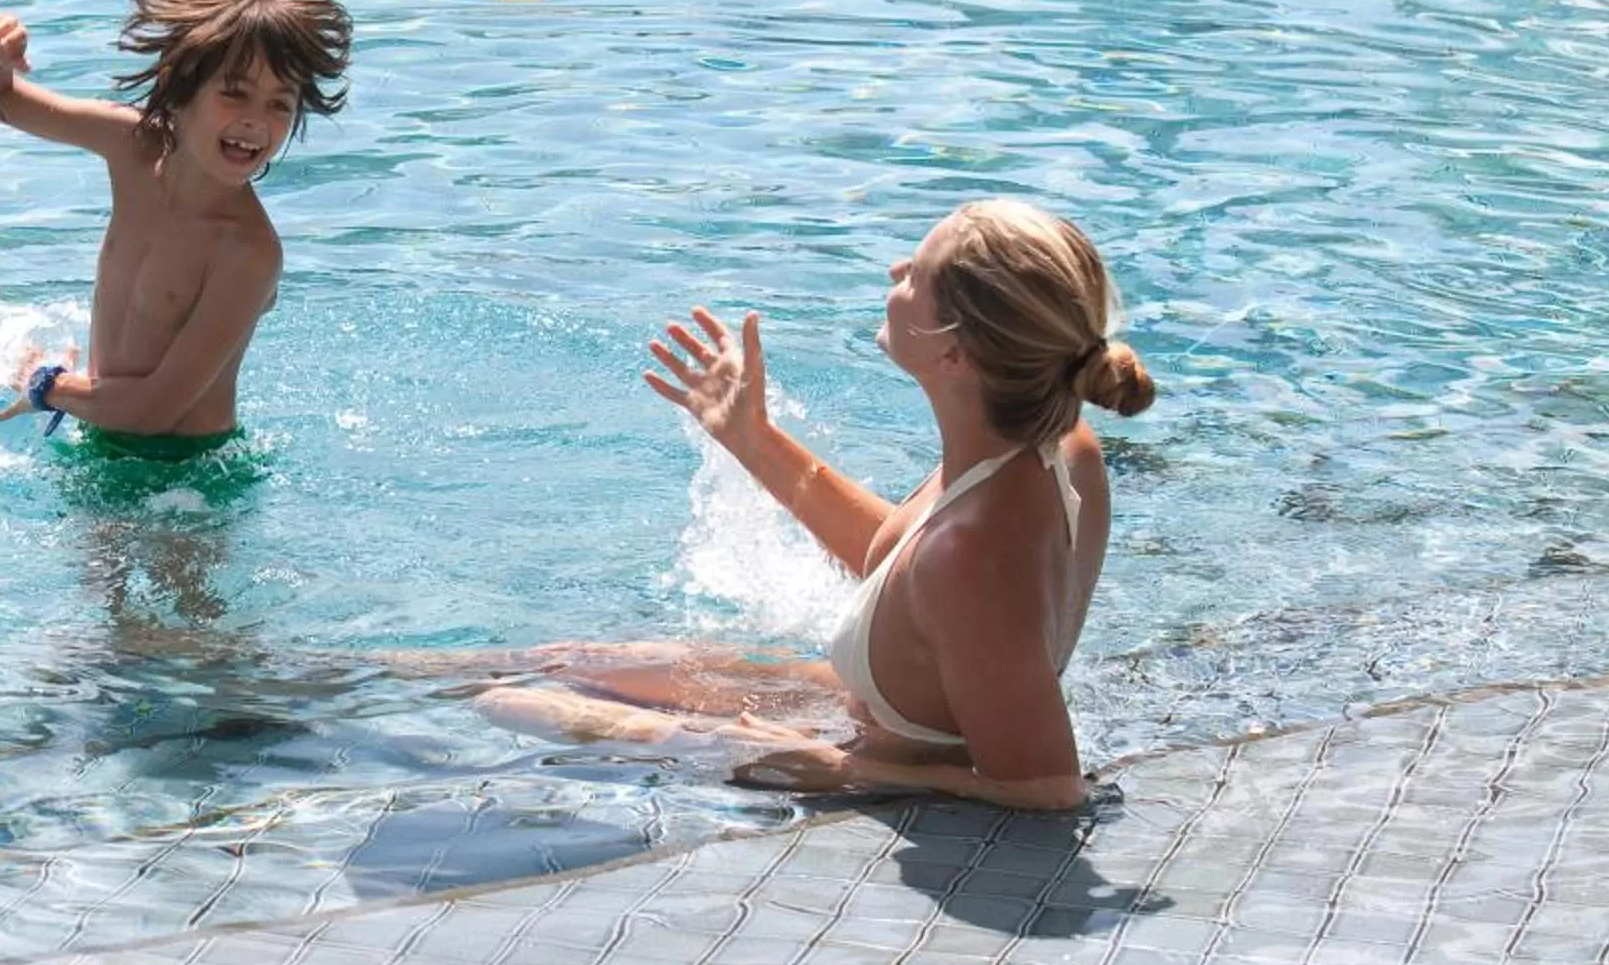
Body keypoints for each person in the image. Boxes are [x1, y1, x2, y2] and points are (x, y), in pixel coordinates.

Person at [476, 199, 1155, 811]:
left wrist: (844, 768)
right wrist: (753, 439)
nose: (895, 270)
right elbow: (901, 570)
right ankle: (379, 673)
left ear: (952, 353)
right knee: (568, 661)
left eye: (917, 274)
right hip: (867, 705)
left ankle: (376, 691)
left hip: (883, 759)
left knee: (502, 706)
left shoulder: (973, 549)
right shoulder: (1054, 445)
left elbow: (1047, 787)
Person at [0, 0, 351, 460]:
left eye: (280, 104)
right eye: (234, 93)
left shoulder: (246, 251)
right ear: (180, 88)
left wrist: (46, 383)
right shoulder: (132, 145)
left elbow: (156, 408)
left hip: (186, 472)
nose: (257, 120)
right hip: (100, 434)